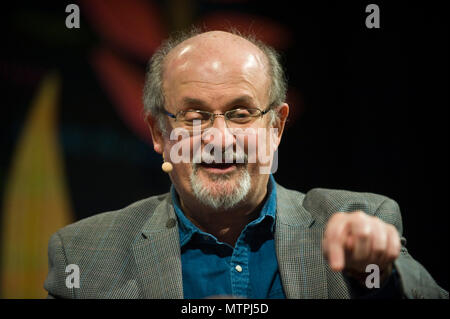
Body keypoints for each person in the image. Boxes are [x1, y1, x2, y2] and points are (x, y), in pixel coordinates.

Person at [44, 28, 448, 299]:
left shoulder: (356, 217)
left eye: (240, 113)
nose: (220, 139)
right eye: (194, 116)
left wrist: (382, 271)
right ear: (158, 133)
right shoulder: (84, 254)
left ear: (276, 127)